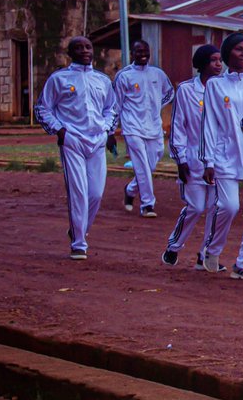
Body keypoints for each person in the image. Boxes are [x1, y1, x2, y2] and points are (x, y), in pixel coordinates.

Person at [34, 36, 117, 260]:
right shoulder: (58, 79)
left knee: (96, 194)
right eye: (78, 48)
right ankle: (79, 243)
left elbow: (111, 108)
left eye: (87, 47)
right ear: (70, 53)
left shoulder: (102, 80)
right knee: (78, 192)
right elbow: (43, 109)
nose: (84, 51)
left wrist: (108, 130)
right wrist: (60, 131)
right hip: (72, 141)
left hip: (97, 140)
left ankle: (78, 227)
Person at [198, 33, 243, 278]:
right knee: (228, 206)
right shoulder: (216, 85)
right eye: (239, 50)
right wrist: (208, 161)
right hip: (225, 155)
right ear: (228, 54)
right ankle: (213, 249)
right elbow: (210, 124)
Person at [162, 45, 222, 265]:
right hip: (193, 159)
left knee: (216, 209)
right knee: (196, 207)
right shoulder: (186, 90)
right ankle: (174, 245)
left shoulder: (223, 89)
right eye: (214, 60)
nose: (218, 65)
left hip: (218, 160)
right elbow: (179, 126)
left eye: (220, 60)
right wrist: (180, 159)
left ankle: (205, 255)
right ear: (203, 63)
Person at [114, 40, 174, 218]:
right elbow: (116, 104)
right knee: (141, 164)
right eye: (138, 51)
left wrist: (157, 106)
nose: (142, 54)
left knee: (152, 162)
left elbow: (170, 92)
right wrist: (111, 130)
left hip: (154, 126)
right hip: (132, 127)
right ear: (132, 54)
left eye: (145, 51)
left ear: (150, 52)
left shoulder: (158, 73)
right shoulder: (124, 76)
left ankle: (131, 190)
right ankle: (147, 204)